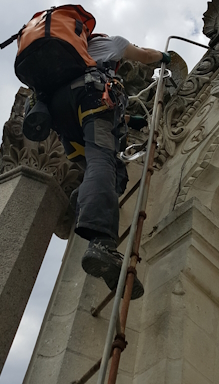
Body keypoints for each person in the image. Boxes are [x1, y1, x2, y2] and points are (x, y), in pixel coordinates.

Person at [48, 34, 171, 300]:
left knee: (105, 169)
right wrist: (163, 57)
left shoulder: (73, 60)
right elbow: (145, 55)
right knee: (104, 163)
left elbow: (86, 98)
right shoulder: (111, 42)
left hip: (66, 122)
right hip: (92, 106)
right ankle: (102, 243)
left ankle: (82, 198)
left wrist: (128, 119)